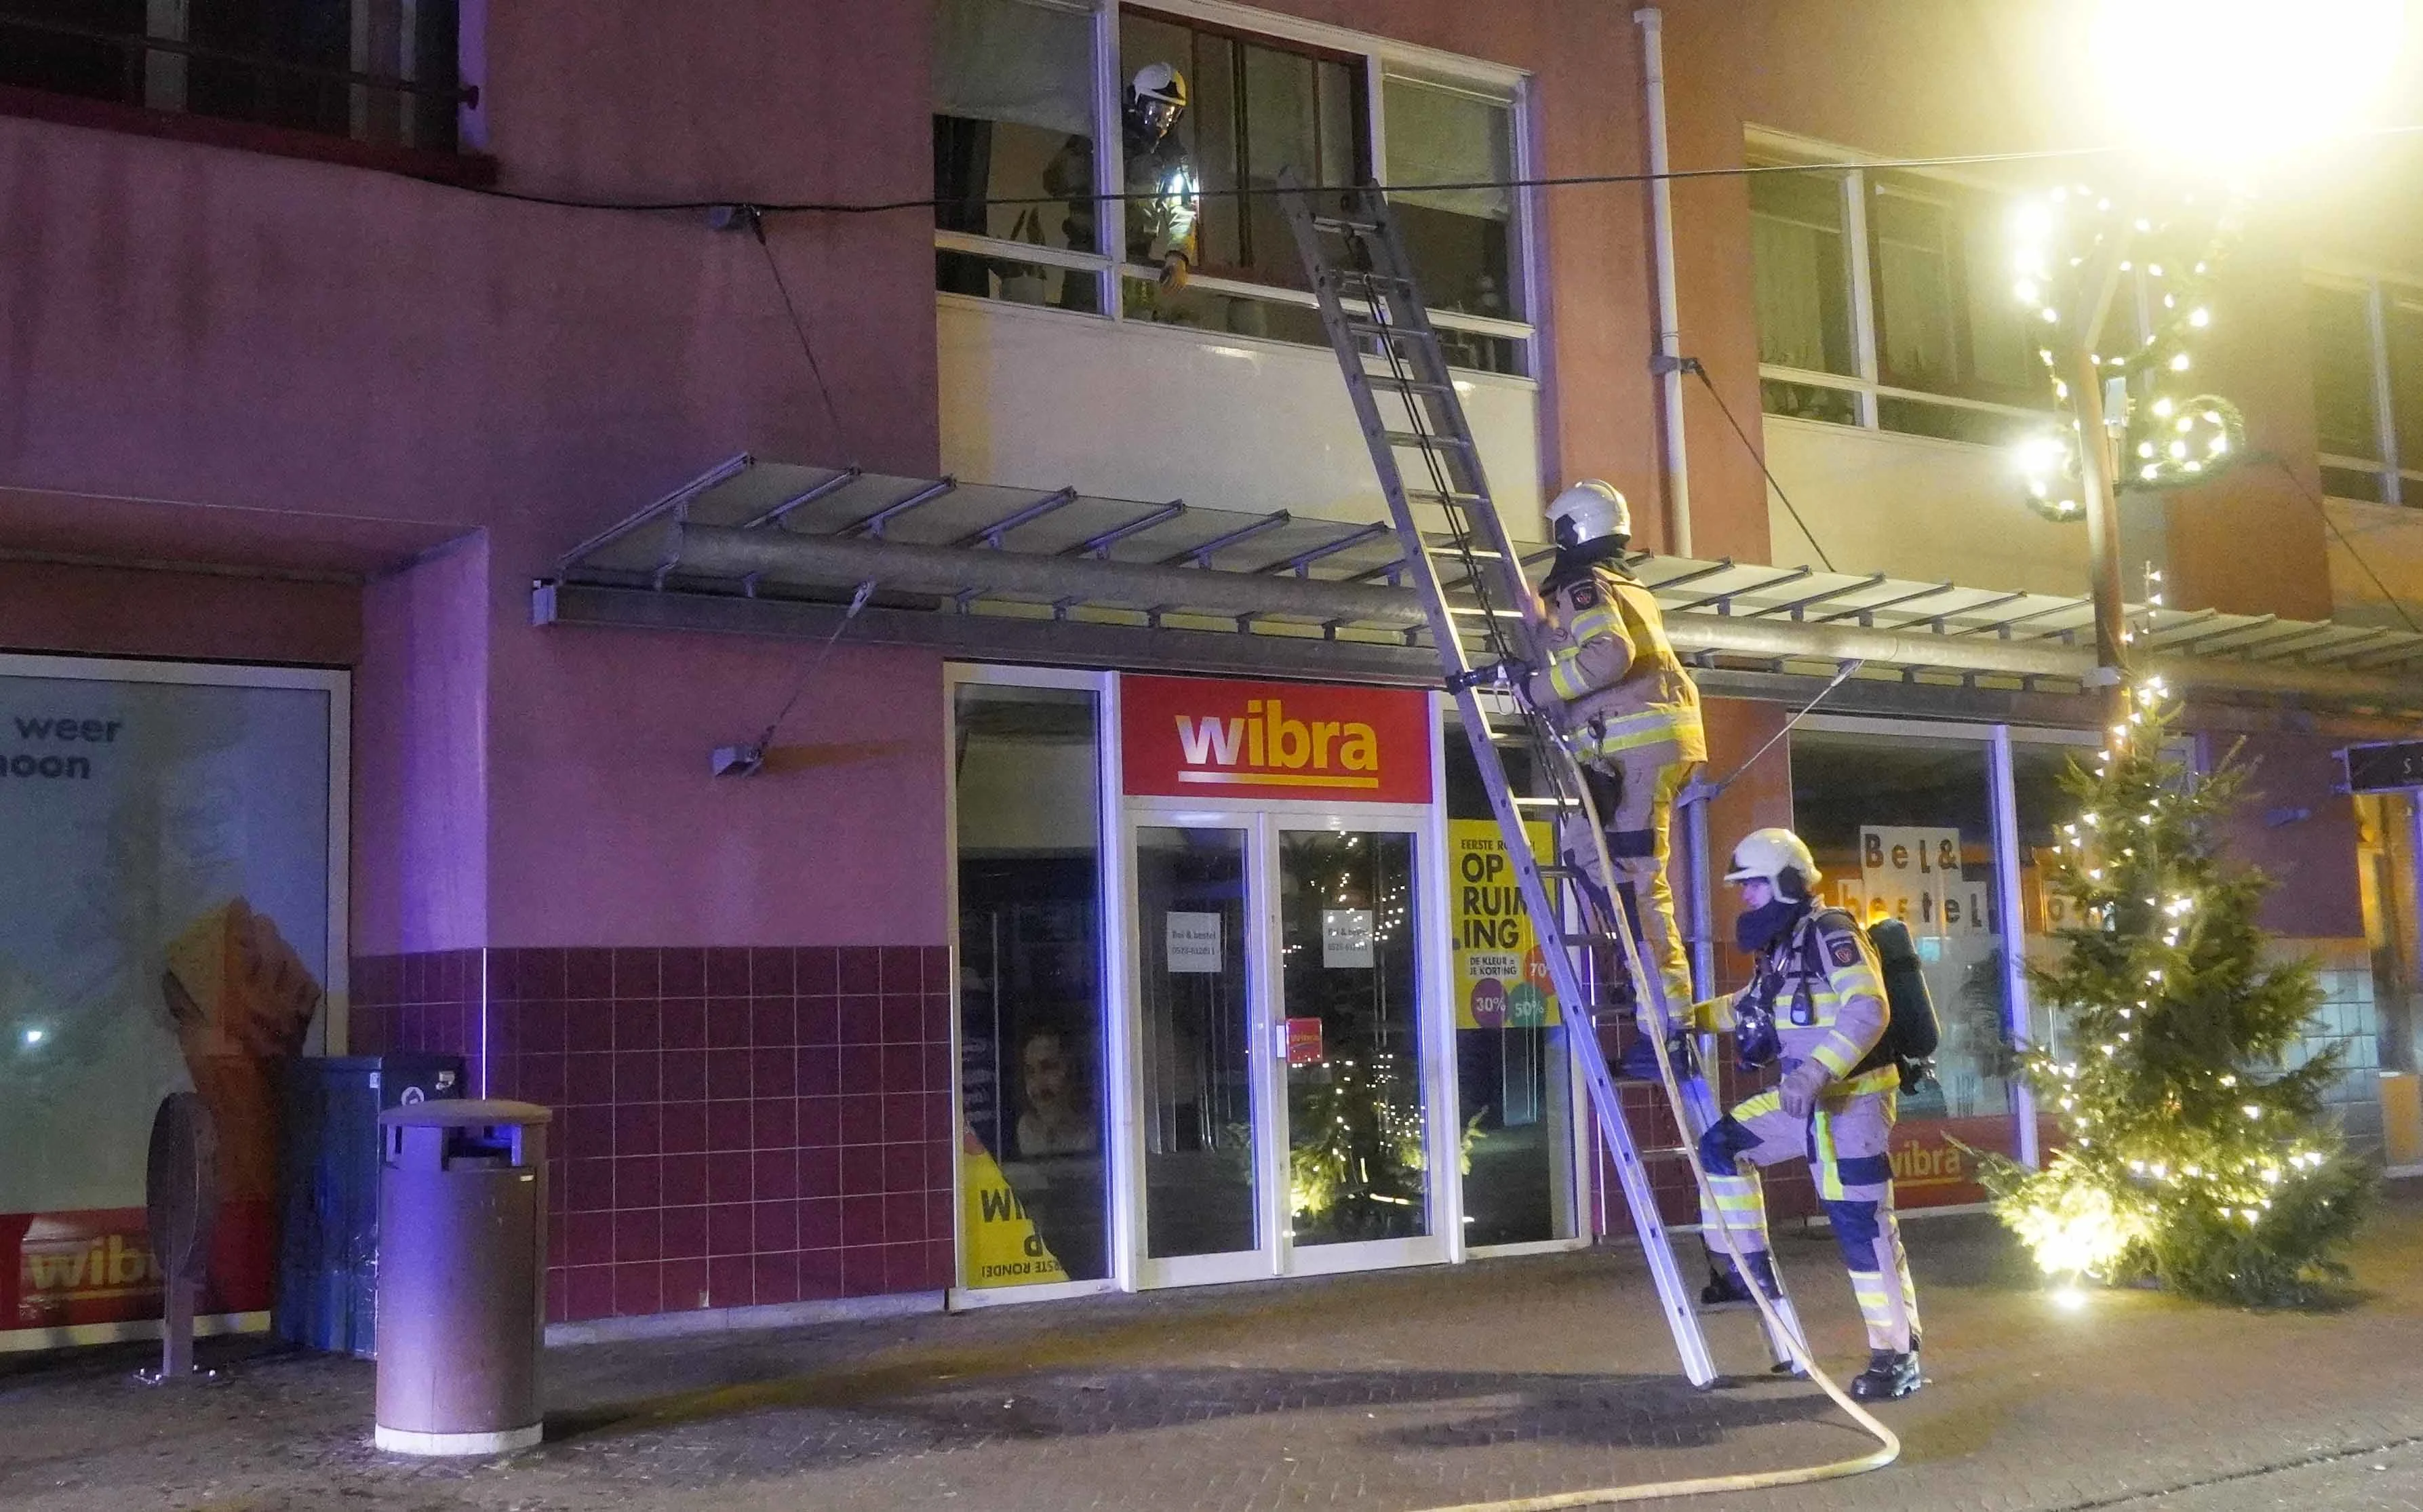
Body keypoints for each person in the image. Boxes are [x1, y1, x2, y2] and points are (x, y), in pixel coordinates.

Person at [1691, 827, 1923, 1402]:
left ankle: (1896, 1355)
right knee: (1723, 1146)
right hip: (1807, 1102)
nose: (1743, 898)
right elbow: (1747, 1007)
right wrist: (1685, 1020)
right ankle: (1744, 1273)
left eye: (1750, 886)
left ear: (1785, 883)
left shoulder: (1830, 932)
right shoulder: (1783, 945)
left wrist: (1815, 1071)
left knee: (1861, 1228)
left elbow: (1868, 1008)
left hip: (1853, 1102)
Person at [1521, 479, 1704, 1028]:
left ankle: (1667, 1019)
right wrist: (1544, 642)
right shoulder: (1620, 583)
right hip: (1643, 747)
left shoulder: (1585, 582)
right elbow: (1590, 647)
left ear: (1572, 530)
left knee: (1635, 879)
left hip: (1635, 749)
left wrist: (1534, 691)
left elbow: (1609, 657)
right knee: (1588, 855)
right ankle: (1658, 998)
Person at [1048, 63, 1200, 296]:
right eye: (1156, 111)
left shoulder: (1171, 160)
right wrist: (1085, 153)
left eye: (1171, 114)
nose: (1162, 122)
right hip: (1088, 258)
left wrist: (1178, 257)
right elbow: (1053, 183)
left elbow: (1183, 211)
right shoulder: (1101, 137)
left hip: (1137, 263)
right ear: (1137, 103)